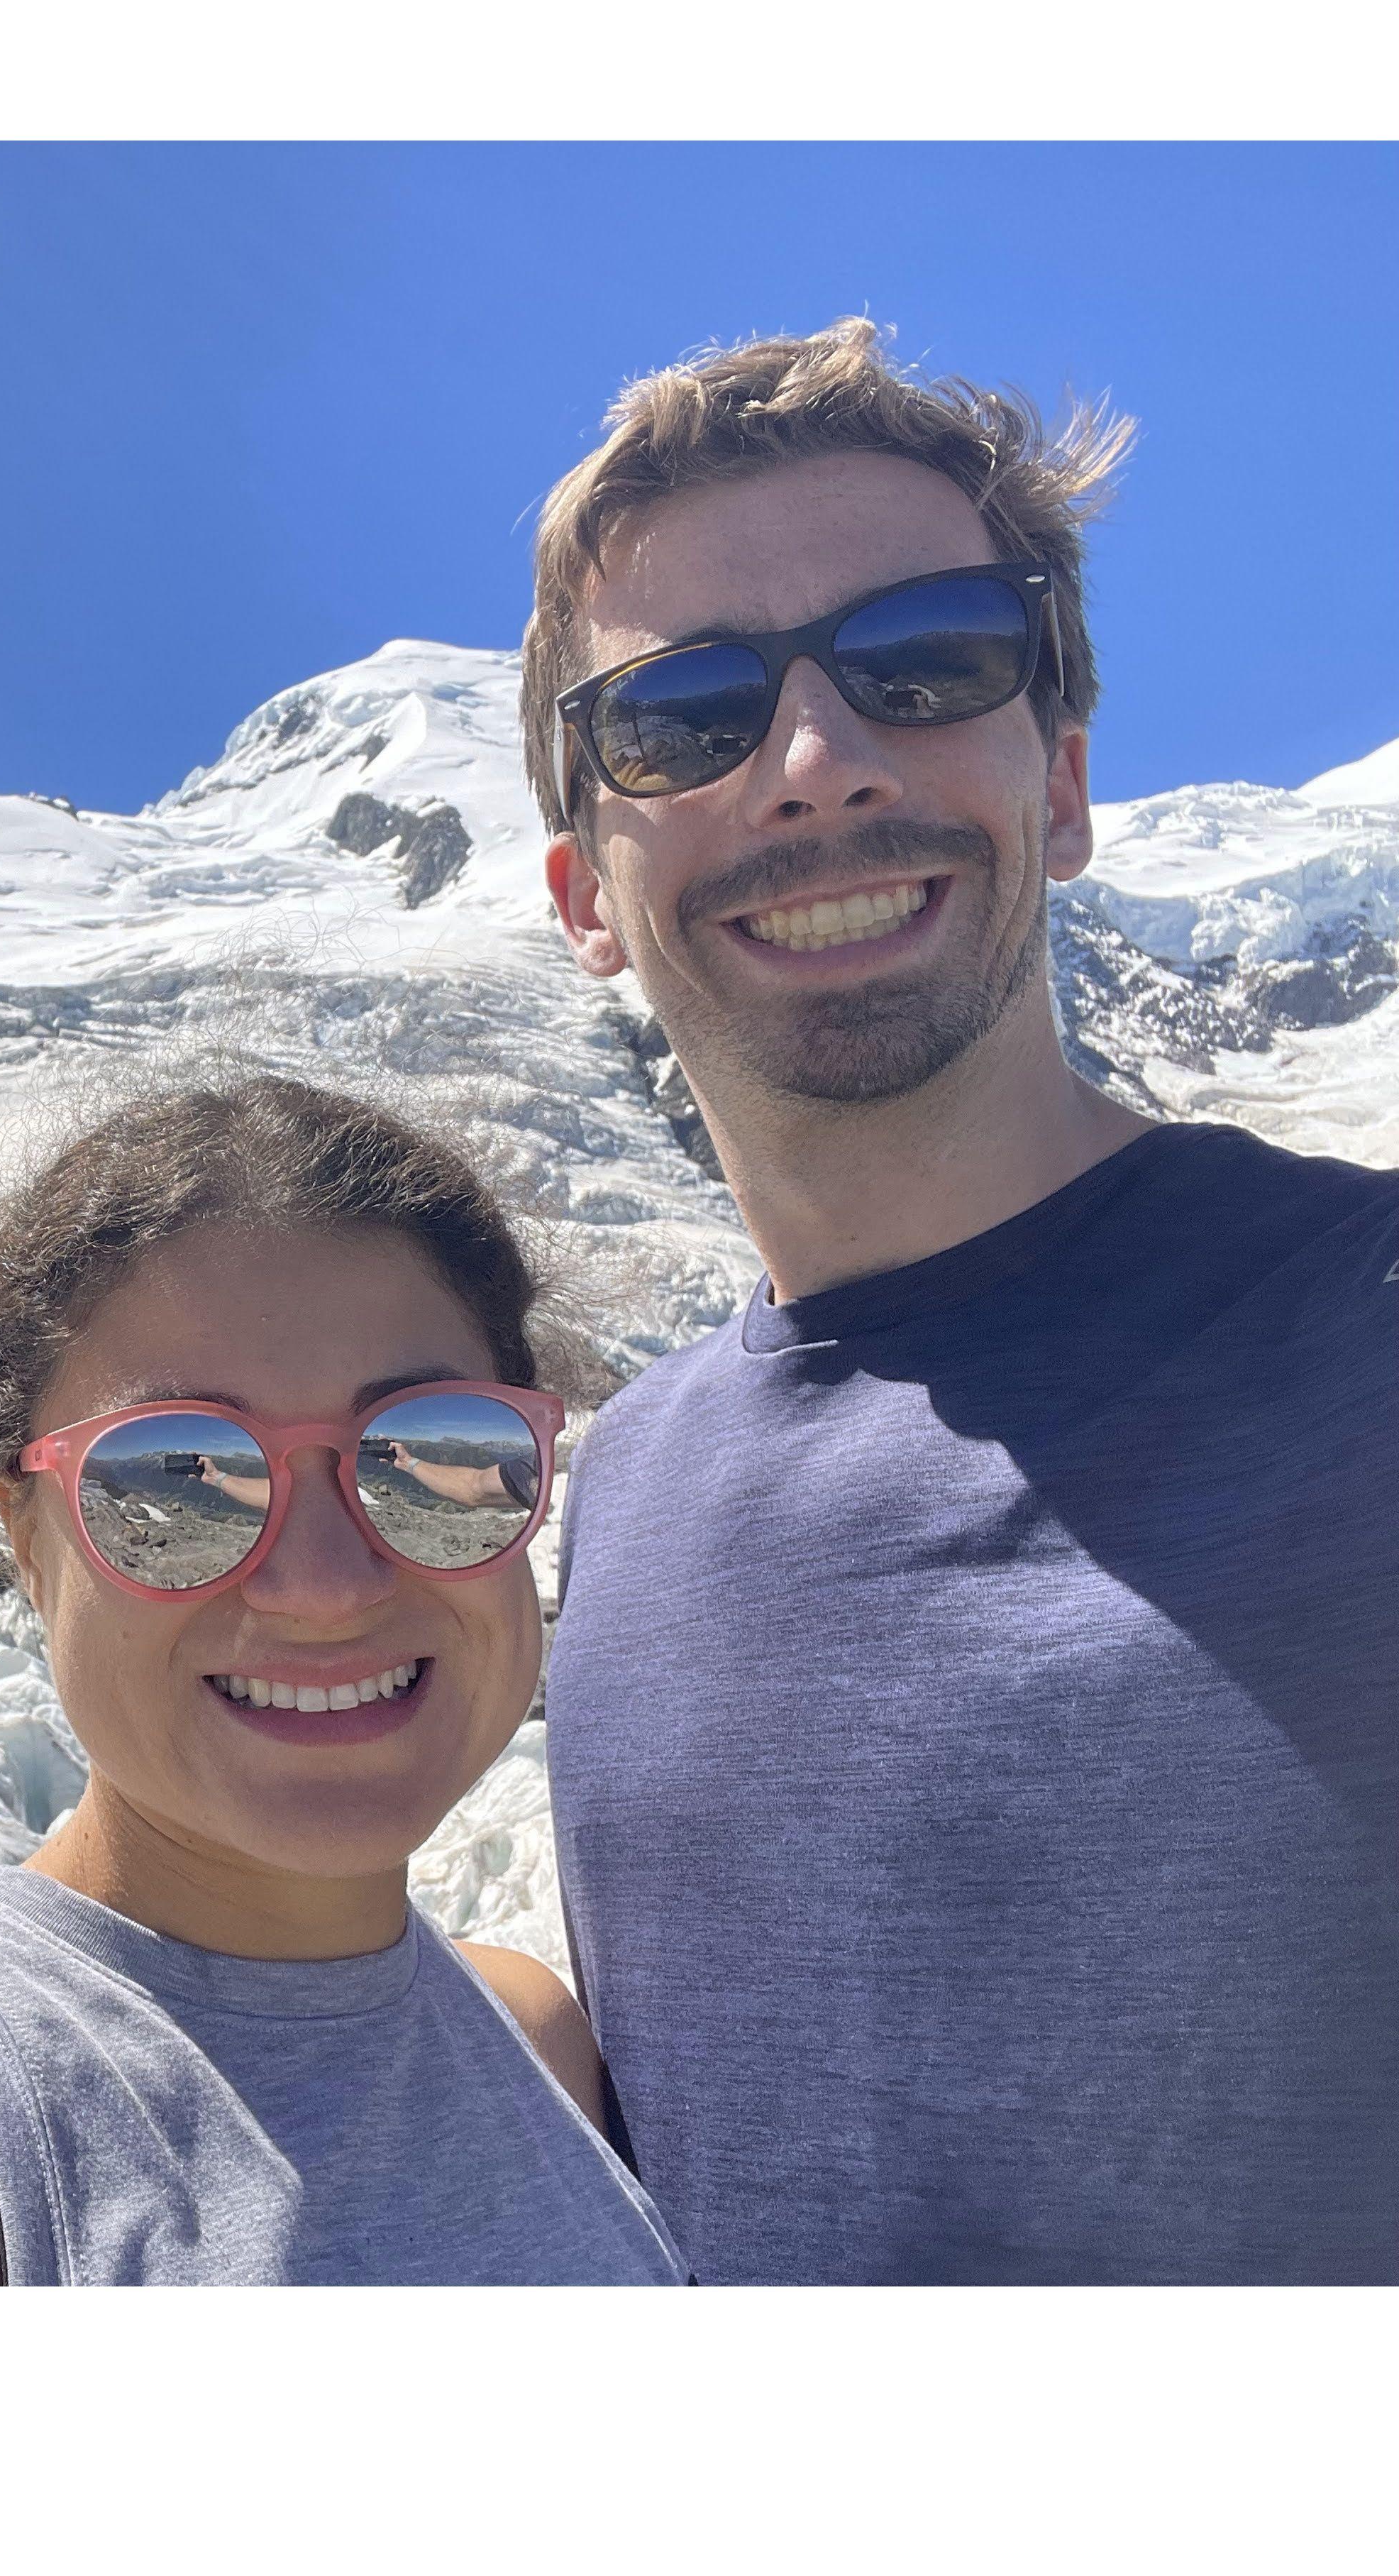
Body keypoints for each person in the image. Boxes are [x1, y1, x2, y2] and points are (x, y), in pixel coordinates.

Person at [524, 318, 1399, 2284]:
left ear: (1066, 785)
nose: (820, 767)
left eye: (927, 662)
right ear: (584, 891)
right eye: (685, 717)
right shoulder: (629, 1490)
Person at [0, 1075, 687, 2284]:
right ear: (26, 1539)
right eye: (173, 1483)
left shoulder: (540, 2041)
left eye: (437, 1453)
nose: (322, 1584)